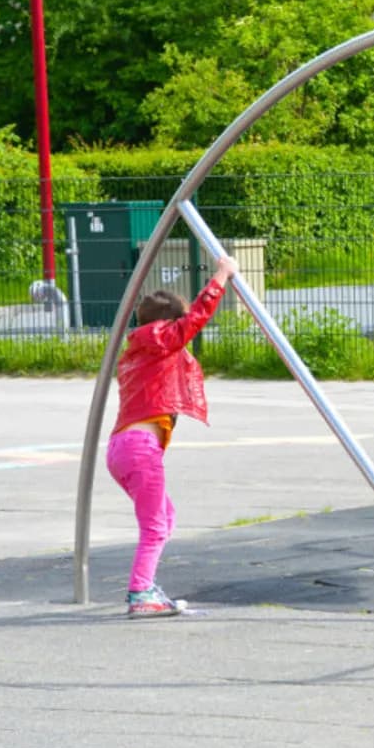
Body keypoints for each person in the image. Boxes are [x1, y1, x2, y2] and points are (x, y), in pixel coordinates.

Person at [107, 255, 238, 618]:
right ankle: (140, 593)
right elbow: (195, 321)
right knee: (154, 526)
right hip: (140, 449)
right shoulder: (160, 339)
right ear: (167, 324)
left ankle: (146, 586)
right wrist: (222, 275)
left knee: (164, 516)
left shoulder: (139, 350)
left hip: (121, 448)